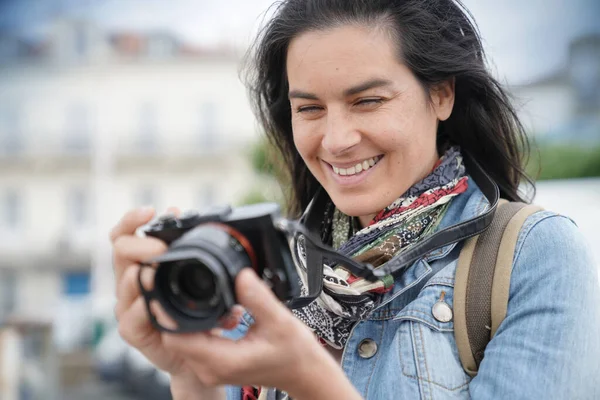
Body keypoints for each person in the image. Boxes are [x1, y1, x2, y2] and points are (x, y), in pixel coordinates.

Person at [110, 0, 600, 399]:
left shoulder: (535, 255)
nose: (336, 139)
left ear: (442, 95)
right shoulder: (274, 269)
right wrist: (188, 369)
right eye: (310, 108)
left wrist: (311, 382)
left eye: (367, 101)